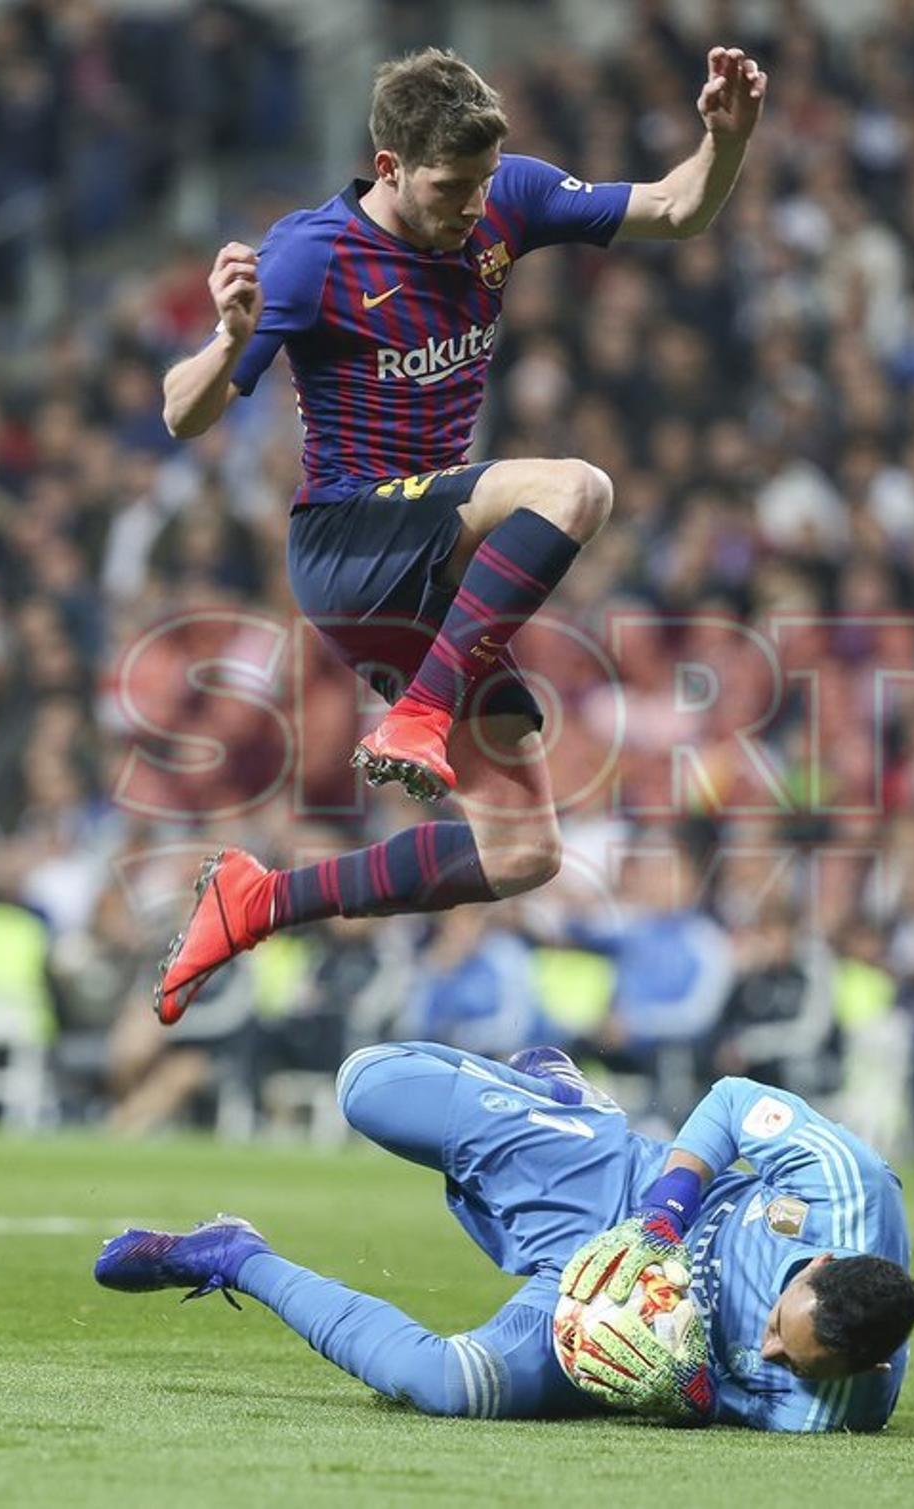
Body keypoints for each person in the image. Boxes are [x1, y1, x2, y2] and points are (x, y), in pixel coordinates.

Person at [152, 44, 767, 1024]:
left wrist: (724, 143)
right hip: (351, 542)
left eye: (483, 182)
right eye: (451, 188)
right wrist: (229, 338)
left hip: (432, 571)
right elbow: (184, 414)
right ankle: (421, 715)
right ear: (389, 167)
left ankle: (258, 900)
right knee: (574, 488)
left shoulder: (505, 197)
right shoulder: (313, 254)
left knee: (523, 853)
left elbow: (678, 208)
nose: (474, 206)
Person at [94, 1042, 914, 1430]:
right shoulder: (849, 1185)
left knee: (443, 1384)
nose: (772, 1352)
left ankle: (233, 1254)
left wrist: (689, 1395)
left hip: (600, 1321)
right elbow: (734, 1100)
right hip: (624, 1189)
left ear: (870, 1368)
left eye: (791, 1360)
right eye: (779, 1323)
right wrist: (667, 1212)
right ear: (821, 1260)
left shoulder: (829, 1407)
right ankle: (565, 1099)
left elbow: (723, 1398)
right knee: (365, 1085)